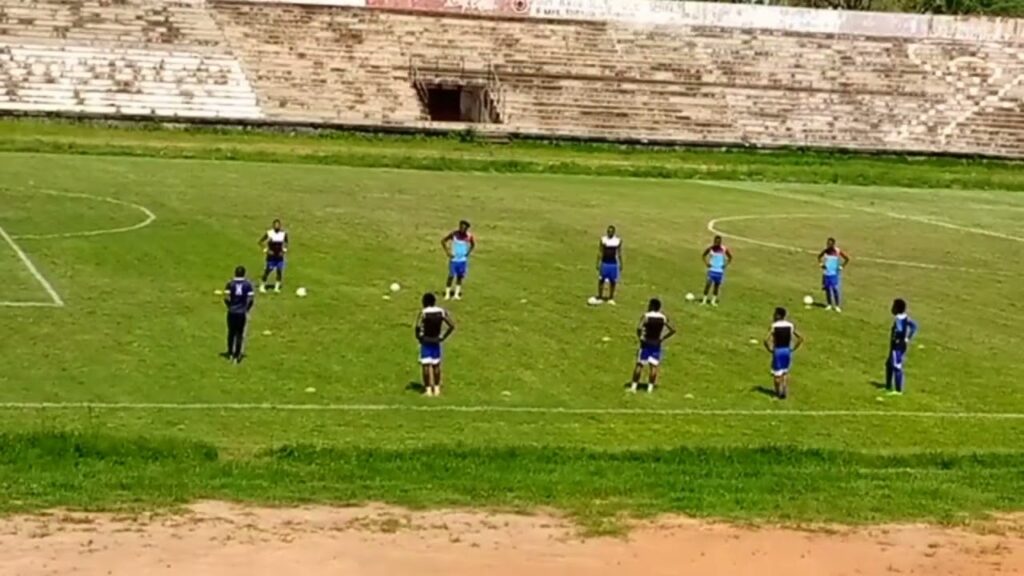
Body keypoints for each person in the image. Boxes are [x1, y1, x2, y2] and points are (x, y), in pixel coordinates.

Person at [630, 298, 676, 393]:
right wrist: (663, 338)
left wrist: (640, 337)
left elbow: (639, 327)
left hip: (646, 342)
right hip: (656, 343)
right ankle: (650, 388)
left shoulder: (646, 316)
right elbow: (672, 329)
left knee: (640, 364)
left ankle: (634, 387)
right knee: (654, 366)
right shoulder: (663, 317)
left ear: (651, 306)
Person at [415, 292, 455, 397]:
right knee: (436, 364)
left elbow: (418, 327)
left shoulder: (423, 312)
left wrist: (419, 338)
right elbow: (451, 325)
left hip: (426, 341)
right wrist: (443, 337)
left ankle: (428, 390)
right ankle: (437, 389)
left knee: (426, 365)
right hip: (436, 340)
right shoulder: (441, 311)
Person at [763, 307, 804, 399]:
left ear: (778, 315)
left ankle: (778, 393)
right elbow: (800, 338)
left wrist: (769, 349)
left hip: (778, 350)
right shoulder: (790, 325)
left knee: (776, 374)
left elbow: (765, 340)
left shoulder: (774, 326)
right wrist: (793, 348)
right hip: (787, 350)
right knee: (784, 372)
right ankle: (784, 389)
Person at [885, 298, 919, 396]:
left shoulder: (898, 319)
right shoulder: (905, 317)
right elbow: (914, 326)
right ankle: (888, 386)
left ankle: (898, 390)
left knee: (896, 366)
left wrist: (899, 338)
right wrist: (908, 337)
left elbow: (899, 330)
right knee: (889, 364)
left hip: (897, 347)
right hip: (898, 346)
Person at [224, 265, 255, 364]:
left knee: (231, 333)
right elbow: (250, 299)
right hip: (241, 313)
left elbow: (226, 297)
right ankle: (237, 356)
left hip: (232, 312)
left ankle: (230, 353)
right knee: (239, 334)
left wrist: (230, 306)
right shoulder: (247, 285)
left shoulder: (230, 284)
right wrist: (246, 309)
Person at [442, 220, 475, 300]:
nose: (462, 229)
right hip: (454, 259)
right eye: (461, 227)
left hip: (462, 260)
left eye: (464, 227)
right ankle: (447, 294)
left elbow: (473, 244)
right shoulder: (454, 234)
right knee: (451, 275)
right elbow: (443, 241)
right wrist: (448, 252)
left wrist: (468, 253)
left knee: (460, 276)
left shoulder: (469, 236)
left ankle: (456, 294)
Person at [817, 237, 850, 312]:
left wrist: (841, 267)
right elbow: (819, 257)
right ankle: (829, 304)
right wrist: (821, 264)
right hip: (826, 273)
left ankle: (837, 306)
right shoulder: (825, 251)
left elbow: (847, 259)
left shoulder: (837, 251)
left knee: (835, 289)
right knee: (827, 289)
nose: (828, 245)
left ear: (833, 244)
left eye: (830, 243)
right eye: (827, 243)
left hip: (834, 273)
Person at [258, 219, 288, 294]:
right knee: (268, 270)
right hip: (271, 256)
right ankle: (262, 285)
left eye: (278, 225)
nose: (277, 226)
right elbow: (260, 242)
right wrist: (266, 250)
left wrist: (284, 250)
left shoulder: (283, 234)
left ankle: (277, 287)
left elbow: (286, 243)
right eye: (276, 225)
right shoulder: (269, 233)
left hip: (279, 256)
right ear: (273, 225)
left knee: (279, 271)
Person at [701, 235, 733, 306]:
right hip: (712, 270)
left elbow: (730, 257)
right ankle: (704, 301)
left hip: (719, 271)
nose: (717, 243)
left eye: (718, 242)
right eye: (716, 242)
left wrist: (725, 265)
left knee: (716, 286)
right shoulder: (710, 249)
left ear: (720, 242)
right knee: (708, 285)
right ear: (714, 241)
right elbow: (703, 255)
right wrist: (707, 263)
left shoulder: (724, 249)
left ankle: (713, 301)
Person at [595, 225, 622, 305]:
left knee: (613, 281)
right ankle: (600, 296)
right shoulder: (603, 240)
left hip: (613, 263)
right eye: (608, 231)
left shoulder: (617, 241)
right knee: (601, 280)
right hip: (604, 262)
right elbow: (600, 252)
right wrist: (598, 262)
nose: (609, 232)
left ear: (614, 232)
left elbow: (619, 253)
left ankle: (611, 297)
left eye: (611, 231)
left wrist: (621, 263)